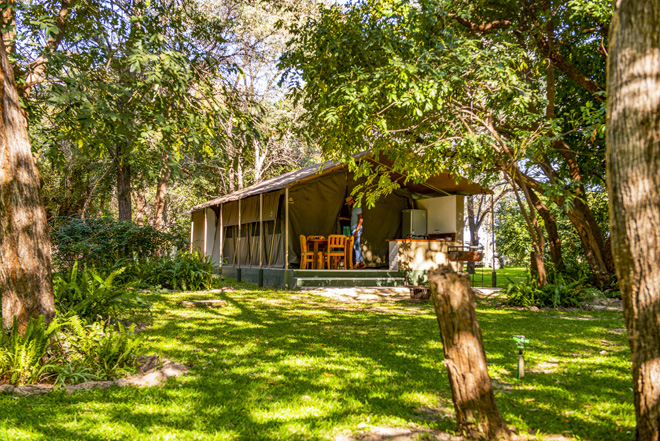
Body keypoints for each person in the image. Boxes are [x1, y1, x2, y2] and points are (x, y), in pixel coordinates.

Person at [345, 196, 365, 269]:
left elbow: (361, 219)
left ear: (352, 201)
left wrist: (357, 230)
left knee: (356, 245)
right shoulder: (354, 208)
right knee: (356, 245)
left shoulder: (357, 207)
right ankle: (361, 261)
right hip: (354, 228)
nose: (348, 204)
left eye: (348, 203)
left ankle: (357, 262)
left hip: (356, 229)